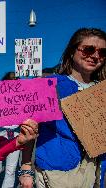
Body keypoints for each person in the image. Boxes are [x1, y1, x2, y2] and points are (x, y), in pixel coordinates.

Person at [19, 28, 106, 188]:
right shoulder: (50, 84)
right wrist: (26, 169)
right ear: (72, 52)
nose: (95, 56)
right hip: (58, 172)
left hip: (96, 171)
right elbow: (29, 128)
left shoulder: (102, 90)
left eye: (102, 52)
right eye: (89, 49)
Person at [0, 71, 21, 188]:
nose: (13, 82)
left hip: (16, 135)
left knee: (11, 170)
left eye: (16, 80)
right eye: (11, 80)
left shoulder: (22, 99)